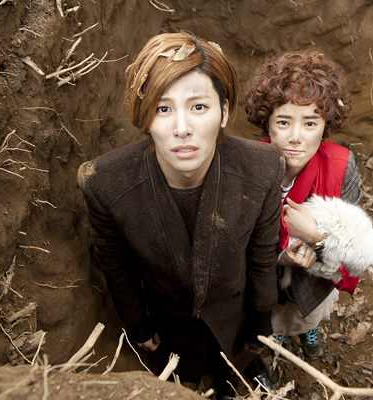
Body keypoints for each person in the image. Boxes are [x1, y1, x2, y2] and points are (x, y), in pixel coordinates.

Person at [78, 32, 283, 398]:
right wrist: (137, 323)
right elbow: (116, 264)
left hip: (233, 310)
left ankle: (238, 374)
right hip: (169, 316)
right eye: (163, 108)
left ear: (224, 112)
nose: (182, 128)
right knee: (186, 364)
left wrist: (261, 318)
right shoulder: (104, 184)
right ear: (145, 118)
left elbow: (262, 254)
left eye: (198, 107)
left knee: (235, 358)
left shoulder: (263, 168)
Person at [244, 51, 362, 361]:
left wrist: (317, 238)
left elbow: (354, 248)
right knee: (275, 319)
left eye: (310, 123)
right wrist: (279, 258)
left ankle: (308, 328)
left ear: (325, 126)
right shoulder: (246, 170)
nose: (296, 137)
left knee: (308, 314)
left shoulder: (341, 167)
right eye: (284, 122)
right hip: (264, 285)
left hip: (312, 284)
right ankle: (280, 334)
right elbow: (234, 249)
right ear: (267, 124)